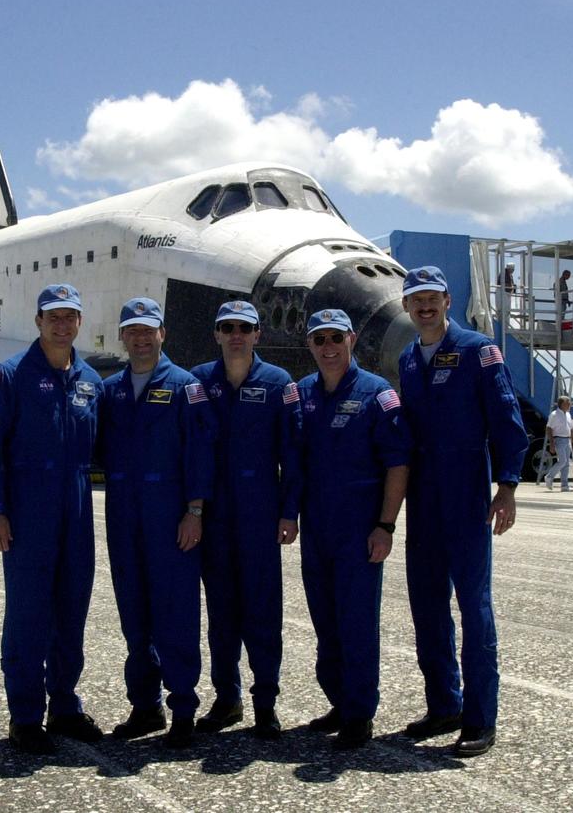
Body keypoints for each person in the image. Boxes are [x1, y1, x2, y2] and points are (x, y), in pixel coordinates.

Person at [396, 266, 527, 758]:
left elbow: (508, 423)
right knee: (427, 608)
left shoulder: (478, 350)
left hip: (467, 495)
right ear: (406, 306)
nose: (425, 306)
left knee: (474, 608)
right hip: (423, 501)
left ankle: (478, 719)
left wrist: (508, 486)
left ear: (448, 300)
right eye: (416, 299)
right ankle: (444, 705)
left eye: (432, 297)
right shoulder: (409, 360)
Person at [0, 283, 105, 755]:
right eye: (54, 317)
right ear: (38, 322)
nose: (62, 325)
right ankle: (25, 716)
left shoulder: (91, 381)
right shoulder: (10, 377)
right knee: (28, 614)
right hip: (28, 509)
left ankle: (64, 707)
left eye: (70, 317)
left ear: (79, 323)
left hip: (76, 504)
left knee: (71, 611)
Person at [98, 297, 215, 749]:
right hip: (125, 515)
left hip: (172, 515)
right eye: (133, 331)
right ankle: (144, 706)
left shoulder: (186, 388)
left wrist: (195, 510)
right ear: (123, 336)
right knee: (134, 615)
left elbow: (200, 454)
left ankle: (182, 707)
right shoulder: (111, 392)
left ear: (162, 334)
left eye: (149, 330)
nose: (142, 338)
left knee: (176, 612)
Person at [296, 308, 410, 750]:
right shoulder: (302, 394)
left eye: (335, 338)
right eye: (319, 340)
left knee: (357, 622)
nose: (328, 348)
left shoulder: (377, 394)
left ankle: (359, 714)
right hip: (317, 528)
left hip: (360, 528)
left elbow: (398, 464)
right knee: (325, 622)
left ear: (352, 339)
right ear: (310, 345)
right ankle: (340, 700)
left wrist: (386, 525)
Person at [190, 301, 301, 740]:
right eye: (227, 327)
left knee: (262, 613)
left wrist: (289, 512)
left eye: (245, 328)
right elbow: (191, 451)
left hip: (259, 513)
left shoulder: (278, 384)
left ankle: (266, 703)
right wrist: (193, 510)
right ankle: (226, 698)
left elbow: (293, 456)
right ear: (216, 334)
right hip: (215, 515)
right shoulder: (198, 382)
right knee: (221, 614)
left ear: (257, 334)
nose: (236, 334)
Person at [542, 396, 573, 491]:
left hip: (567, 440)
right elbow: (549, 428)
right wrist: (551, 443)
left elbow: (571, 428)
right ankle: (549, 476)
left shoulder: (568, 414)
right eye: (568, 403)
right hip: (558, 439)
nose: (570, 405)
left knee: (566, 463)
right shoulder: (554, 414)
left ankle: (564, 486)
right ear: (562, 404)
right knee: (563, 461)